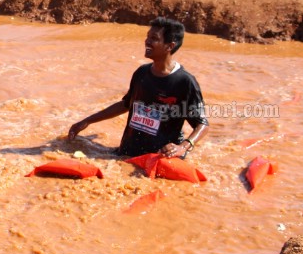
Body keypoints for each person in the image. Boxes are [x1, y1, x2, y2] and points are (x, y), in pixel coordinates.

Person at [68, 16, 208, 159]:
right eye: (147, 37)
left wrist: (182, 147)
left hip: (160, 158)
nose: (147, 41)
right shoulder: (141, 73)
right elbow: (126, 104)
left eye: (154, 38)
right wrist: (87, 121)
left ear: (169, 46)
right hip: (128, 153)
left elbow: (202, 124)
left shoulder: (185, 82)